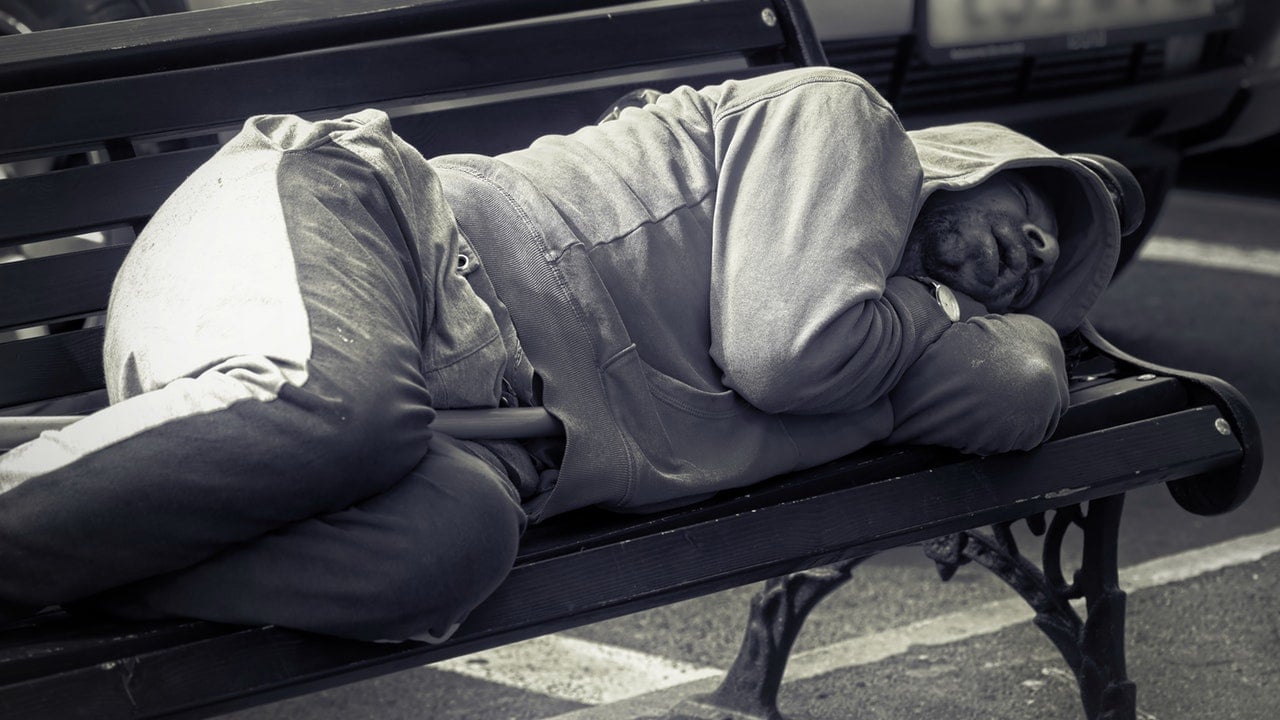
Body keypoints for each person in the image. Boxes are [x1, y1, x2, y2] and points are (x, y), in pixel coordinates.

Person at [0, 67, 1141, 642]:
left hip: (453, 441)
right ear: (960, 161)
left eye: (1046, 271)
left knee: (455, 547)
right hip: (349, 232)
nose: (1035, 247)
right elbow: (786, 355)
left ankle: (83, 535)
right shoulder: (839, 122)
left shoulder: (885, 343)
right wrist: (934, 310)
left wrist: (982, 329)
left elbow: (1016, 387)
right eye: (1036, 197)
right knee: (350, 408)